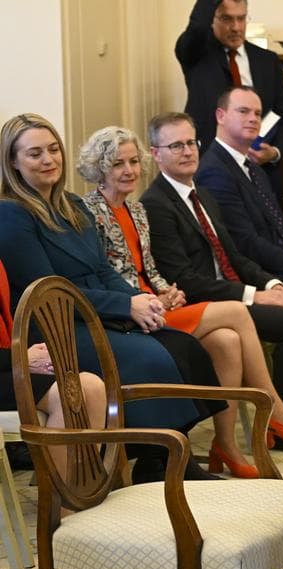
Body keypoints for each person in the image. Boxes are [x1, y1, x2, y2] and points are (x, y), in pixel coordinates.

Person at [77, 125, 283, 472]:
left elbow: (149, 269)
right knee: (236, 314)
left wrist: (167, 290)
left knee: (227, 341)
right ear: (100, 168)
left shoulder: (136, 211)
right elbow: (104, 275)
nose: (129, 171)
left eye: (133, 162)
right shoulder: (89, 212)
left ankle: (225, 447)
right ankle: (275, 413)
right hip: (130, 317)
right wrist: (149, 298)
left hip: (157, 305)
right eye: (118, 163)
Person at [0, 113, 224, 482]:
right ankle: (156, 458)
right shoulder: (12, 213)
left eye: (53, 150)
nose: (48, 160)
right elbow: (45, 288)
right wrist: (124, 305)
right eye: (34, 153)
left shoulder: (72, 204)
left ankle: (163, 457)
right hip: (56, 327)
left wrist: (139, 299)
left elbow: (103, 269)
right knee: (152, 356)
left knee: (182, 344)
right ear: (13, 161)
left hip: (94, 311)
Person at [139, 112, 283, 440]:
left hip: (233, 289)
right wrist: (255, 295)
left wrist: (275, 284)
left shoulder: (201, 194)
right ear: (155, 153)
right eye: (175, 146)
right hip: (206, 303)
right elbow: (186, 279)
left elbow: (236, 257)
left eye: (191, 143)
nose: (187, 151)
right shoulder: (156, 204)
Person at [194, 86, 283, 299]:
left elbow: (281, 225)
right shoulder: (214, 171)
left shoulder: (254, 167)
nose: (253, 119)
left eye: (257, 113)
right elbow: (246, 242)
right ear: (221, 116)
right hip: (262, 274)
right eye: (243, 111)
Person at [176, 0, 283, 201]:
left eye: (241, 18)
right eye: (226, 19)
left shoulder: (267, 60)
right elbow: (197, 27)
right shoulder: (195, 55)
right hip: (211, 171)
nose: (236, 27)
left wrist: (274, 152)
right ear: (212, 19)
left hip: (260, 172)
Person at [0, 259, 106, 479]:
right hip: (7, 365)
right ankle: (61, 507)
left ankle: (82, 494)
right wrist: (20, 358)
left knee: (93, 387)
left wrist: (29, 354)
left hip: (7, 365)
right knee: (65, 396)